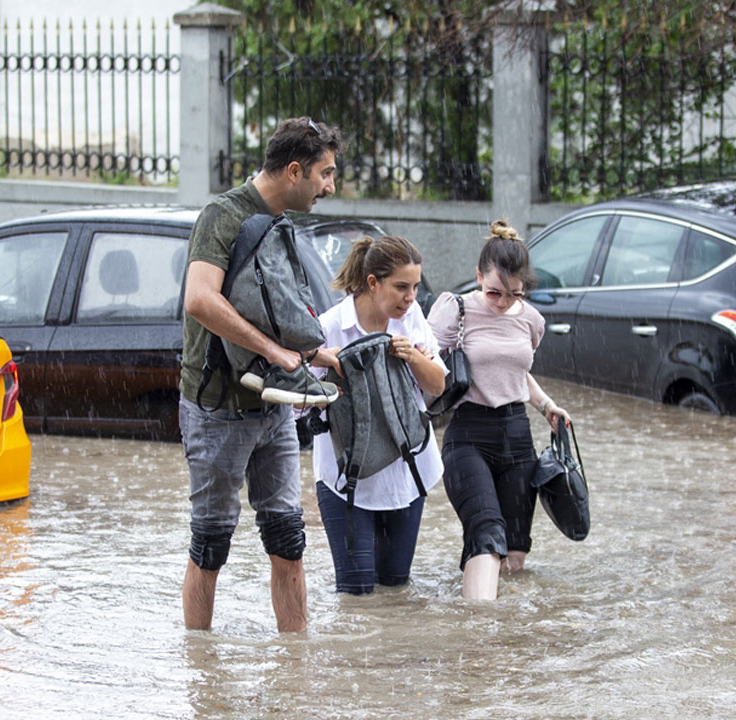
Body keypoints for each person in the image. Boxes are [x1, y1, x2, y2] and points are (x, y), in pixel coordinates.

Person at [178, 116, 345, 632]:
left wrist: (323, 357)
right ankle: (200, 677)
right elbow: (199, 299)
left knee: (288, 540)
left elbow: (277, 312)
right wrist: (273, 351)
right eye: (325, 174)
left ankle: (297, 674)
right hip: (217, 408)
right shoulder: (222, 216)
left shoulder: (283, 226)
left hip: (272, 405)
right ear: (294, 171)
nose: (330, 187)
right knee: (211, 544)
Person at [427, 219, 572, 601]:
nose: (503, 302)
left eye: (514, 294)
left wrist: (545, 406)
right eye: (494, 292)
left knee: (515, 551)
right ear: (478, 276)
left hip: (517, 436)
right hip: (467, 435)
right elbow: (423, 366)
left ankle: (507, 644)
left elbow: (517, 373)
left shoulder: (531, 320)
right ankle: (479, 635)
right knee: (487, 533)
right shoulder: (453, 311)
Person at [310, 235, 446, 594]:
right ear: (373, 282)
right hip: (346, 483)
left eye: (415, 287)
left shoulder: (412, 318)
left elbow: (437, 386)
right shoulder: (330, 327)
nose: (411, 297)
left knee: (395, 593)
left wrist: (413, 356)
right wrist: (327, 369)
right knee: (356, 594)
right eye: (402, 287)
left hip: (407, 474)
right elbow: (298, 406)